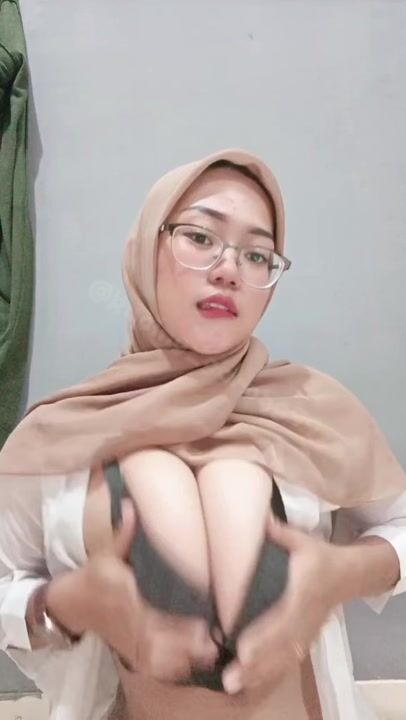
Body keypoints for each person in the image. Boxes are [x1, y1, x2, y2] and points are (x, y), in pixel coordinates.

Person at [0, 149, 405, 720]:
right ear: (147, 249)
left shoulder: (312, 410)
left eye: (257, 254)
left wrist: (342, 573)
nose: (228, 269)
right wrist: (63, 603)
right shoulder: (64, 431)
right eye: (199, 237)